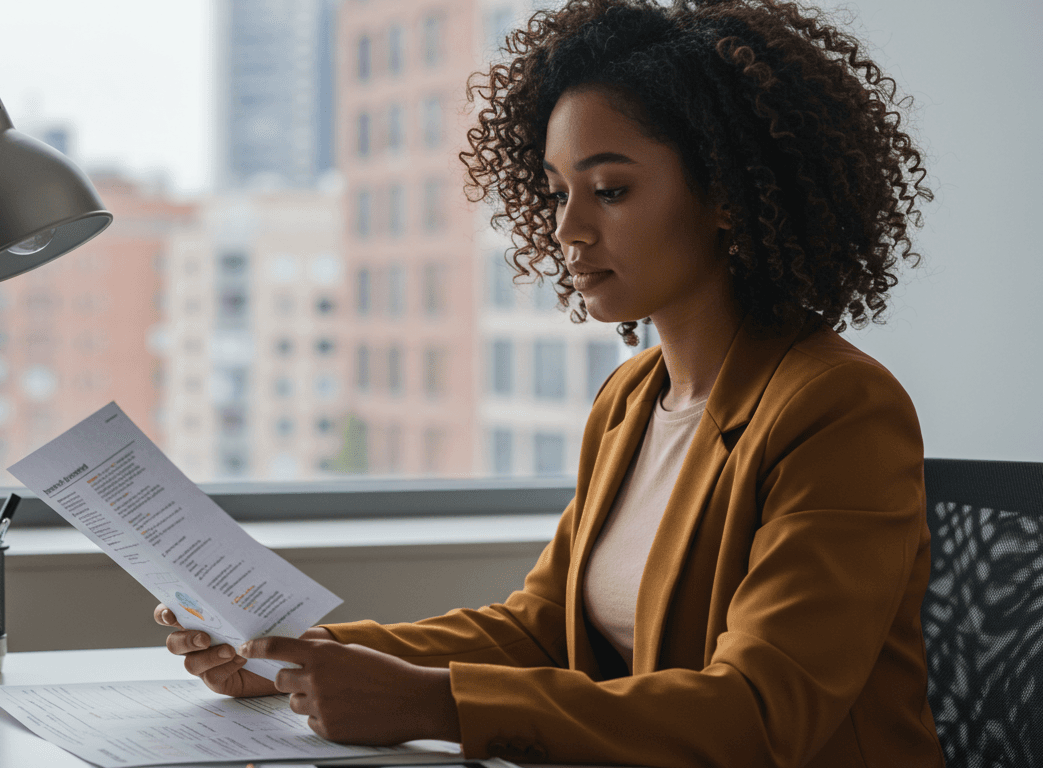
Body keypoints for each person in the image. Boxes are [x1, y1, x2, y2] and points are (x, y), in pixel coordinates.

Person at [155, 0, 943, 765]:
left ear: (727, 195)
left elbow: (759, 715)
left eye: (610, 190)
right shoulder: (632, 401)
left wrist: (438, 703)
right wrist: (300, 656)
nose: (567, 229)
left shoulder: (837, 409)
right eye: (559, 191)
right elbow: (540, 628)